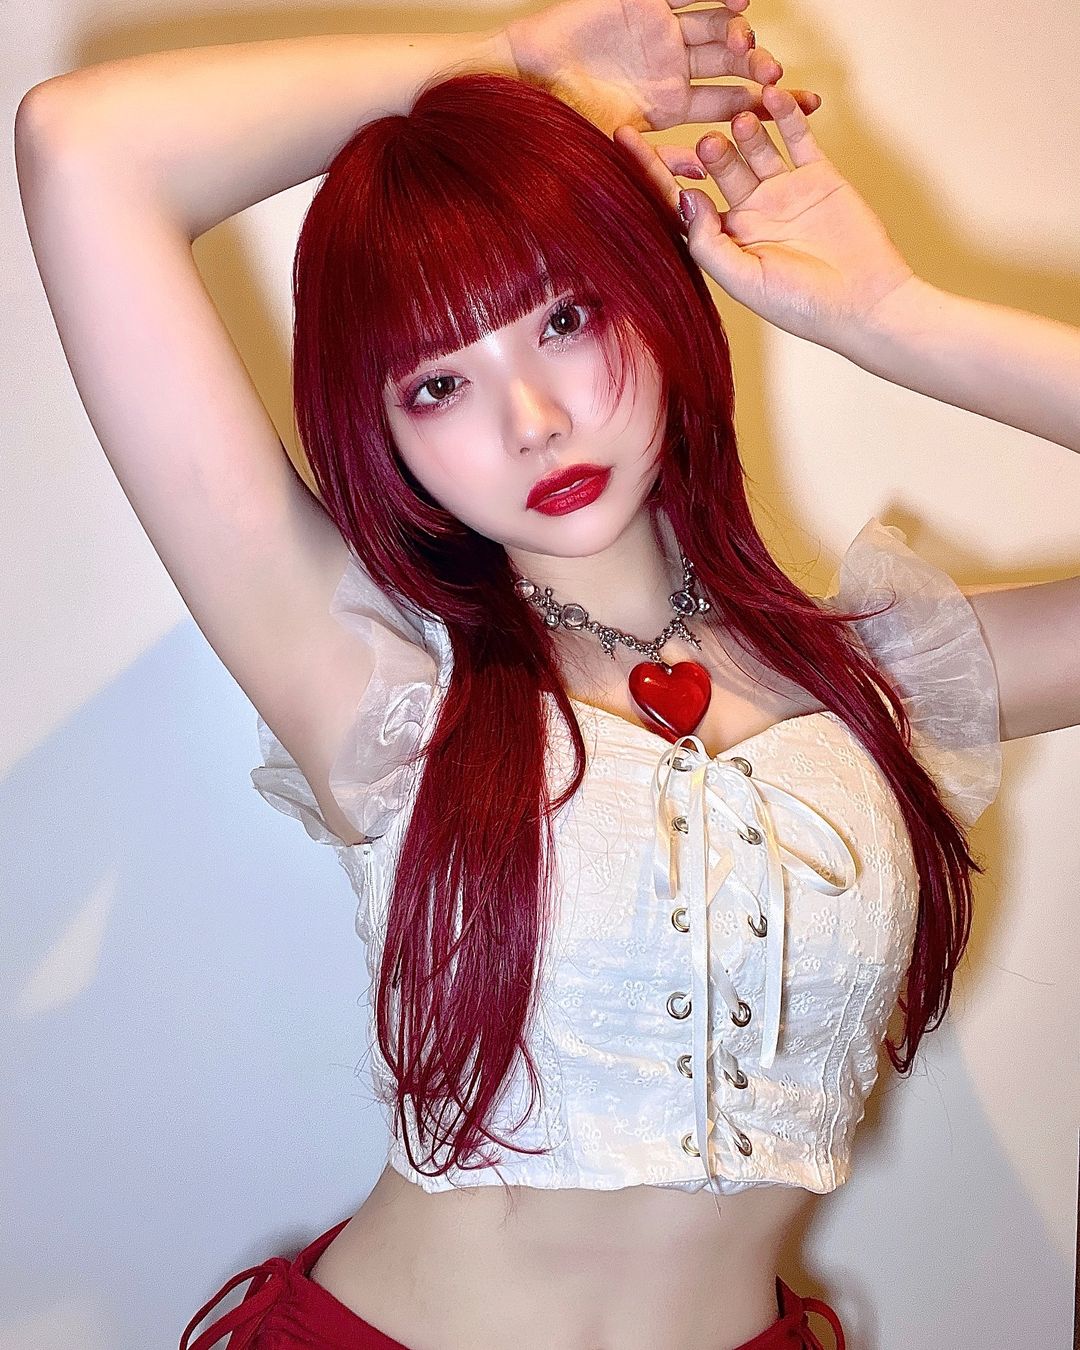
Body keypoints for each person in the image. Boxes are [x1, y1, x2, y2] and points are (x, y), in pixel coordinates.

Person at [14, 1, 1079, 1347]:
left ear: (656, 291)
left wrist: (894, 316)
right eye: (436, 385)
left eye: (563, 318)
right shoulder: (381, 680)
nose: (532, 419)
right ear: (384, 436)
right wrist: (519, 69)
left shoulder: (876, 685)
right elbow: (81, 148)